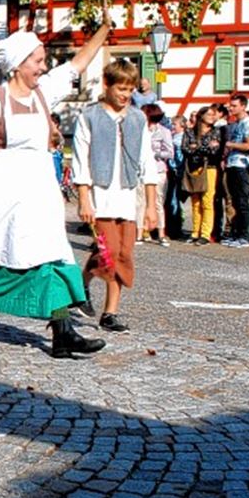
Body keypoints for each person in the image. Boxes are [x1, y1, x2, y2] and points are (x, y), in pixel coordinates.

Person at [0, 9, 111, 359]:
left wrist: (103, 28)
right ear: (18, 64)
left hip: (40, 191)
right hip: (3, 190)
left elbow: (79, 63)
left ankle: (62, 332)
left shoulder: (45, 92)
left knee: (51, 254)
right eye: (38, 61)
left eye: (43, 61)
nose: (43, 67)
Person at [72, 61, 159, 333]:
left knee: (122, 253)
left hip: (127, 197)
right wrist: (84, 199)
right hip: (100, 196)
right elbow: (80, 161)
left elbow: (147, 160)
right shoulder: (89, 117)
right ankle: (84, 287)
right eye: (121, 88)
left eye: (130, 90)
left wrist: (150, 206)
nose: (125, 95)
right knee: (110, 252)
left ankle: (108, 310)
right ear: (107, 85)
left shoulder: (137, 118)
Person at [181, 106, 223, 245]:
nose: (212, 116)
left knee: (207, 200)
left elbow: (215, 151)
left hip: (209, 168)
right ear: (201, 116)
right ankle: (195, 232)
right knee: (195, 201)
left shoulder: (216, 132)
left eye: (213, 114)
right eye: (209, 114)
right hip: (194, 167)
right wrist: (204, 147)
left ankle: (205, 233)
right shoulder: (189, 132)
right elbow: (185, 149)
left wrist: (196, 147)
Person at [221, 94, 249, 247]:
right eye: (231, 105)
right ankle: (235, 233)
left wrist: (231, 145)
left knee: (242, 201)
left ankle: (244, 235)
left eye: (234, 105)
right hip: (232, 164)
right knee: (234, 200)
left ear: (243, 106)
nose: (231, 108)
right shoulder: (236, 123)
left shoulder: (248, 124)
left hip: (241, 165)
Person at [138, 103, 173, 245]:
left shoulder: (163, 131)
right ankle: (139, 233)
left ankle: (161, 233)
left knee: (158, 202)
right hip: (140, 170)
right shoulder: (140, 130)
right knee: (140, 202)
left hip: (158, 169)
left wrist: (153, 153)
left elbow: (169, 152)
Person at [165, 115, 188, 239]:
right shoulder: (174, 137)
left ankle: (175, 228)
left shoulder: (180, 139)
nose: (172, 127)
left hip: (177, 172)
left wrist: (175, 167)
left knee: (175, 200)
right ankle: (172, 226)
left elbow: (179, 159)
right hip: (173, 171)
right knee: (171, 200)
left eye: (175, 124)